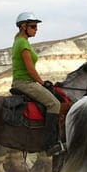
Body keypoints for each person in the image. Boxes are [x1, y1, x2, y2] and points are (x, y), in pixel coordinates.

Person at [10, 12, 66, 155]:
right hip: (25, 82)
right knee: (54, 104)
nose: (36, 29)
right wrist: (42, 83)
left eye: (36, 26)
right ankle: (50, 144)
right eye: (33, 26)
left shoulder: (20, 41)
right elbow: (30, 69)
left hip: (23, 81)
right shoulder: (23, 43)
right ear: (23, 27)